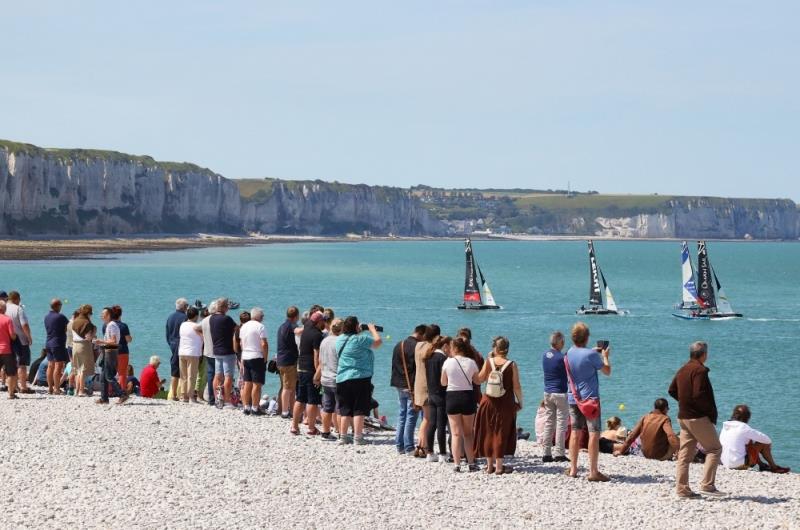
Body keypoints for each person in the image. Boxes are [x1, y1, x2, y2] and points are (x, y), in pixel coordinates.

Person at [668, 341, 726, 499]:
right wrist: (707, 411)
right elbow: (699, 394)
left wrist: (684, 403)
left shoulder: (682, 369)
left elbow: (672, 390)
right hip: (697, 417)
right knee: (714, 449)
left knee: (685, 455)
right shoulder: (700, 370)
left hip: (683, 417)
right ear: (704, 354)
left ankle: (682, 489)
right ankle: (707, 485)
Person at [565, 322, 611, 482]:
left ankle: (573, 469)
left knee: (575, 431)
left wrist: (591, 351)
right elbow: (607, 371)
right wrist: (605, 356)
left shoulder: (569, 352)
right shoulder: (591, 356)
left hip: (573, 398)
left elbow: (581, 358)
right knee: (593, 433)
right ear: (587, 337)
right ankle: (593, 471)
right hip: (590, 399)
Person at [474, 336, 523, 475]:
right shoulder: (512, 364)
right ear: (507, 349)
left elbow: (479, 379)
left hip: (488, 401)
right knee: (501, 432)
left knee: (488, 431)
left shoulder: (489, 362)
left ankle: (489, 466)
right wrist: (520, 402)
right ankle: (500, 466)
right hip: (505, 402)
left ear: (495, 348)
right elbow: (516, 386)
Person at [335, 316, 382, 445]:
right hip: (360, 377)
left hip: (342, 377)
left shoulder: (339, 339)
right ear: (356, 326)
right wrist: (372, 329)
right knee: (359, 408)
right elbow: (378, 342)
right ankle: (358, 437)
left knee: (345, 409)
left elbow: (351, 341)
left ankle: (343, 436)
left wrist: (358, 331)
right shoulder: (361, 338)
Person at [441, 337, 481, 472]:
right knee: (468, 434)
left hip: (452, 396)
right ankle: (471, 463)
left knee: (455, 433)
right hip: (467, 397)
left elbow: (443, 383)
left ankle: (457, 465)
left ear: (454, 348)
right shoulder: (471, 362)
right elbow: (477, 381)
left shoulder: (448, 362)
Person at [720, 404, 790, 473]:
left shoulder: (726, 426)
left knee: (747, 442)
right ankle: (774, 467)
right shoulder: (743, 427)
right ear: (747, 417)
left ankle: (762, 465)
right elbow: (767, 440)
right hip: (738, 465)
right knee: (762, 443)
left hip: (724, 462)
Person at [390, 324, 425, 455]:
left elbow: (394, 365)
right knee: (411, 416)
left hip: (398, 383)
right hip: (411, 385)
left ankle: (399, 445)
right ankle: (409, 446)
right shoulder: (417, 347)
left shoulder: (399, 344)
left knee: (402, 414)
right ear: (421, 334)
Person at [292, 310, 326, 435]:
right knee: (312, 400)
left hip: (300, 367)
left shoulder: (306, 328)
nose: (325, 323)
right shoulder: (317, 335)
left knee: (300, 398)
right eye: (323, 320)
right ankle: (311, 428)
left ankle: (294, 426)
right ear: (319, 321)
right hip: (310, 369)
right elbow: (317, 356)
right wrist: (318, 373)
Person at [615, 398, 679, 461]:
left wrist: (621, 451)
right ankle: (677, 455)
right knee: (677, 439)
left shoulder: (645, 417)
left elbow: (632, 436)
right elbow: (670, 435)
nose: (668, 410)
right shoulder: (665, 419)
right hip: (659, 456)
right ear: (665, 408)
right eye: (668, 408)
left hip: (645, 454)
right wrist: (677, 451)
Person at [541, 330, 569, 463]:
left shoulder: (545, 355)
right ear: (560, 342)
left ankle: (546, 453)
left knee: (549, 423)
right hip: (560, 392)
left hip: (547, 392)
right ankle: (559, 453)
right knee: (561, 424)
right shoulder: (562, 358)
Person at [413, 324, 439, 457]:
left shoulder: (418, 346)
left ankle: (420, 445)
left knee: (425, 418)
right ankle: (422, 446)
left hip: (418, 385)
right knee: (427, 419)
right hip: (427, 386)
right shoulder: (431, 348)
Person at [94, 307, 129, 405]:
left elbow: (113, 341)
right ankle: (104, 398)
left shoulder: (111, 325)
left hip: (111, 351)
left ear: (109, 315)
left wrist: (101, 341)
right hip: (108, 350)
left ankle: (122, 394)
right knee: (103, 376)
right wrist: (100, 343)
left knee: (109, 376)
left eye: (103, 314)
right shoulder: (108, 325)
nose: (101, 315)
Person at [239, 307, 269, 416]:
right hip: (257, 356)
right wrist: (265, 358)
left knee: (247, 382)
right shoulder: (260, 326)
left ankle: (246, 406)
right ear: (259, 316)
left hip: (245, 356)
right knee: (257, 384)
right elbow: (264, 344)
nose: (263, 318)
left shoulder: (244, 326)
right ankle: (255, 408)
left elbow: (241, 343)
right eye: (262, 316)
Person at [319, 318, 344, 440]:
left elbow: (320, 360)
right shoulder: (340, 341)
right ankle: (340, 432)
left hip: (325, 377)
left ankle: (325, 431)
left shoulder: (324, 341)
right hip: (337, 378)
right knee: (339, 408)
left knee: (327, 407)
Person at [210, 298, 237, 408]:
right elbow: (237, 328)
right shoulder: (227, 319)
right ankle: (226, 401)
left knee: (217, 375)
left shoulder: (212, 318)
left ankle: (217, 399)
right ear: (225, 307)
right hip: (227, 350)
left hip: (216, 350)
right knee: (228, 376)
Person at [6, 291, 34, 394]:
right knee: (22, 363)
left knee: (11, 363)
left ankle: (14, 386)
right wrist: (29, 337)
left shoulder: (4, 308)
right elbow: (24, 325)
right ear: (16, 299)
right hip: (21, 340)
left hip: (7, 339)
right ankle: (23, 387)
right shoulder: (18, 309)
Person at [275, 306, 300, 419]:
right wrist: (309, 326)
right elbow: (297, 331)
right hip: (289, 361)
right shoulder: (292, 326)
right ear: (296, 316)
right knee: (288, 388)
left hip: (280, 360)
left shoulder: (281, 326)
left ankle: (283, 409)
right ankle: (285, 412)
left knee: (286, 386)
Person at [44, 298, 69, 395]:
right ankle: (57, 389)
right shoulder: (60, 317)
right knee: (58, 366)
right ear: (57, 306)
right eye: (60, 305)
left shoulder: (46, 316)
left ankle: (50, 388)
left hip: (49, 342)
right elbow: (68, 327)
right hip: (58, 343)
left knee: (50, 365)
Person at [178, 307, 203, 402]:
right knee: (191, 375)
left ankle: (183, 395)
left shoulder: (182, 324)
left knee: (183, 375)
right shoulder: (196, 326)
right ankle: (191, 396)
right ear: (196, 316)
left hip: (182, 352)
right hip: (192, 352)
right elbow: (202, 338)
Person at [165, 298, 189, 401]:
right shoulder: (185, 317)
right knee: (184, 371)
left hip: (173, 345)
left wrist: (171, 344)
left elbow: (167, 334)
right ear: (185, 307)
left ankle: (173, 394)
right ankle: (182, 394)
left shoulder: (170, 317)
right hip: (182, 345)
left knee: (174, 370)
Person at [71, 305, 96, 397]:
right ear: (88, 313)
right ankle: (81, 390)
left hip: (75, 345)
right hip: (84, 346)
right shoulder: (87, 323)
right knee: (83, 369)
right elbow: (88, 337)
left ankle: (76, 390)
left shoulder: (75, 321)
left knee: (77, 369)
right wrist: (94, 332)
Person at [111, 305, 133, 390]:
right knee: (122, 372)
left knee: (111, 372)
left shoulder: (107, 325)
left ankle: (111, 390)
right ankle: (122, 390)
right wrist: (130, 338)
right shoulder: (123, 326)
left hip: (111, 350)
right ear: (120, 314)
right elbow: (128, 339)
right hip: (122, 351)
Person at [0, 300, 18, 399]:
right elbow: (12, 336)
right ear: (3, 309)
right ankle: (11, 394)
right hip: (6, 350)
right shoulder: (7, 320)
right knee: (11, 372)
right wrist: (15, 336)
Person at [201, 301, 218, 405]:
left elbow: (195, 328)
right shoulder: (217, 320)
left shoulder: (204, 320)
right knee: (219, 375)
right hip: (217, 351)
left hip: (207, 350)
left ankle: (211, 398)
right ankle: (217, 398)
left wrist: (203, 337)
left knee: (211, 374)